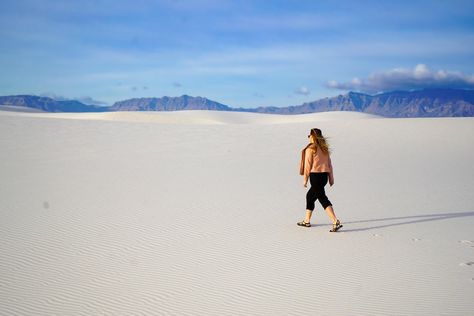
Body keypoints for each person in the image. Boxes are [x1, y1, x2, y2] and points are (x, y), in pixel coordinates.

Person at [297, 128, 343, 232]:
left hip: (315, 176)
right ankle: (306, 221)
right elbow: (329, 165)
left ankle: (335, 221)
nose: (308, 138)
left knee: (322, 198)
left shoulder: (311, 149)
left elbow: (307, 166)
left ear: (313, 136)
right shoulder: (324, 149)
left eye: (309, 135)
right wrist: (331, 178)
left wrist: (305, 180)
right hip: (324, 177)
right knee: (310, 196)